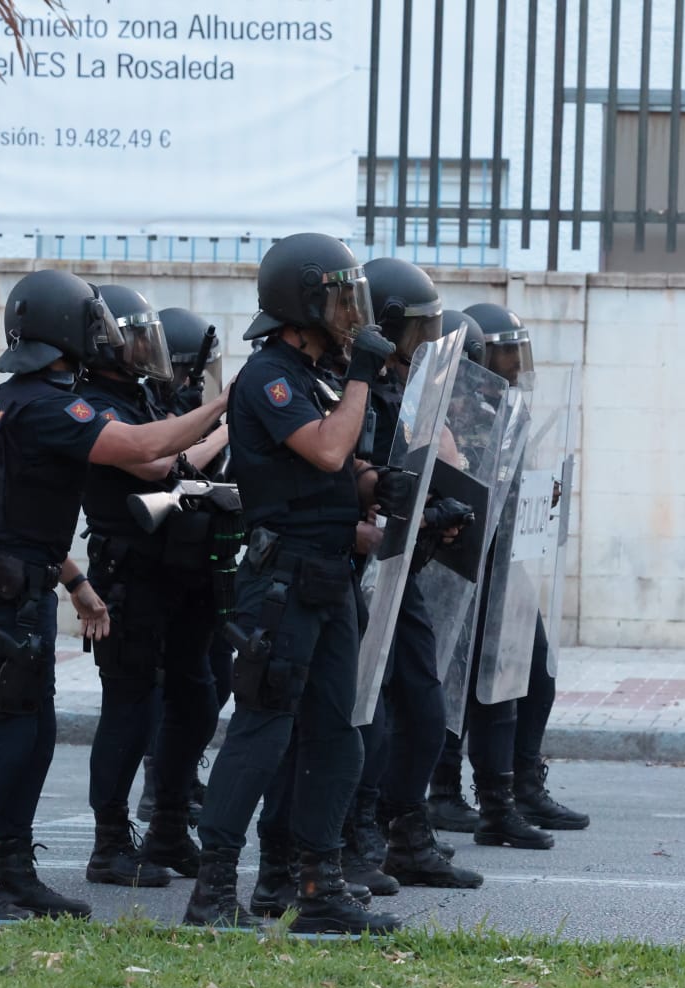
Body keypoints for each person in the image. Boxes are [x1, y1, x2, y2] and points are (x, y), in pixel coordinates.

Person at [0, 269, 230, 920]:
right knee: (4, 732)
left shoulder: (17, 397)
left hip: (22, 573)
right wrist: (222, 406)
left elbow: (33, 510)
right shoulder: (47, 404)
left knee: (34, 734)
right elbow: (145, 448)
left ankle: (11, 871)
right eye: (90, 323)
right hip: (7, 582)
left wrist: (74, 582)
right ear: (65, 329)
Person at [182, 233, 404, 935]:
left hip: (329, 576)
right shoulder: (270, 376)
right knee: (262, 733)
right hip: (280, 583)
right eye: (338, 297)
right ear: (301, 301)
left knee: (339, 737)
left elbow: (341, 468)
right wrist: (366, 376)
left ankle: (316, 885)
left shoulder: (319, 377)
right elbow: (328, 445)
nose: (349, 311)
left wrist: (390, 485)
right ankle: (213, 890)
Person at [340, 258, 484, 895]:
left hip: (403, 570)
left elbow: (439, 462)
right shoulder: (359, 387)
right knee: (366, 715)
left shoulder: (410, 389)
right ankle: (358, 834)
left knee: (424, 708)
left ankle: (407, 832)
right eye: (418, 331)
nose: (426, 345)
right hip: (360, 571)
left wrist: (439, 509)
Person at [78, 285, 230, 889]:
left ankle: (168, 825)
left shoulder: (141, 396)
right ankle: (110, 841)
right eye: (134, 338)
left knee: (198, 696)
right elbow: (163, 463)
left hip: (182, 571)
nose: (148, 350)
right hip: (130, 574)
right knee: (130, 706)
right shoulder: (91, 404)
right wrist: (229, 420)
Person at [425, 303, 588, 845]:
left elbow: (507, 487)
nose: (514, 365)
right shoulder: (449, 409)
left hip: (505, 567)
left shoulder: (505, 407)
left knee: (532, 676)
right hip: (459, 570)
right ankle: (448, 795)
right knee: (454, 689)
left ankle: (520, 787)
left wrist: (543, 499)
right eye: (504, 353)